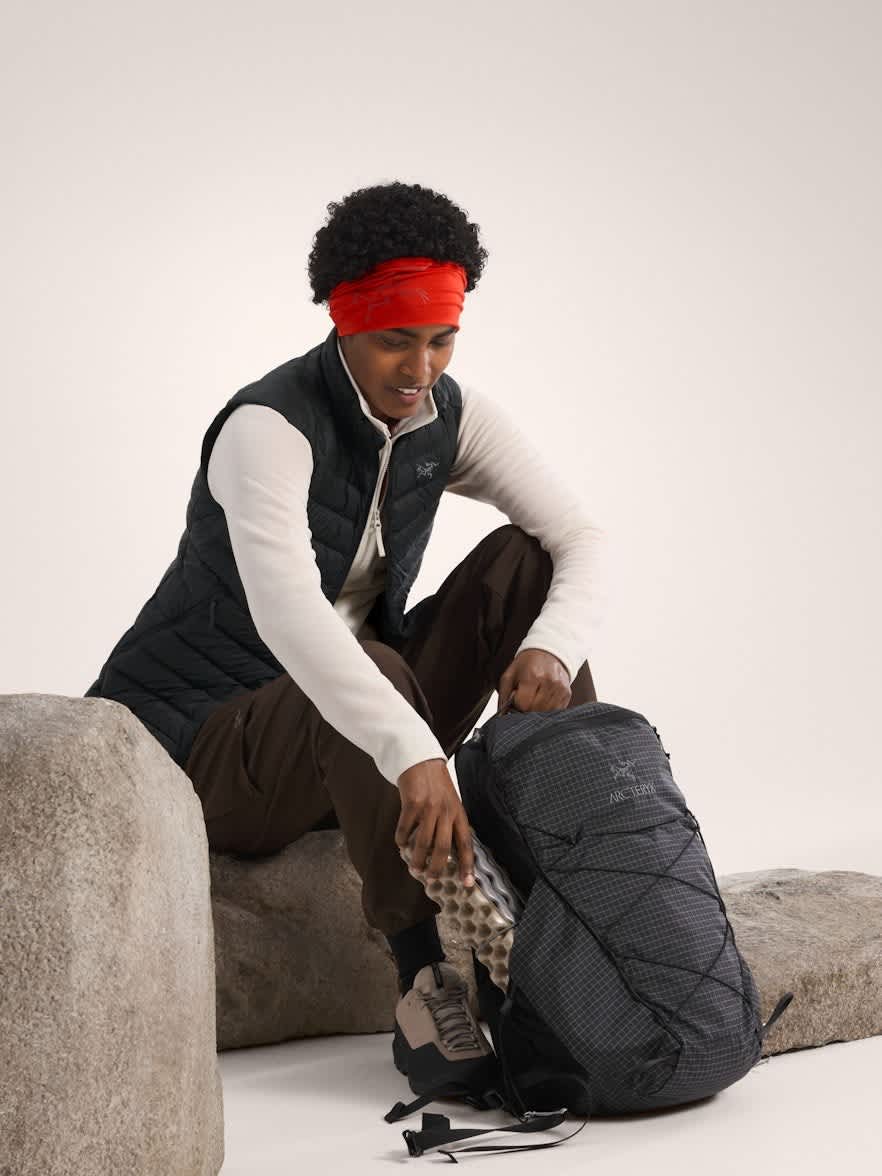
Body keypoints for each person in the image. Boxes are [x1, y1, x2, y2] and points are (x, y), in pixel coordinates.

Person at [83, 180, 602, 1099]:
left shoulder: (446, 414)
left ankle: (581, 894)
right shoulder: (267, 428)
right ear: (344, 321)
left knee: (523, 567)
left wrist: (551, 647)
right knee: (368, 664)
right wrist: (415, 753)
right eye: (395, 339)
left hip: (358, 728)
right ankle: (421, 979)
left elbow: (579, 536)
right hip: (205, 747)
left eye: (441, 338)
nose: (420, 367)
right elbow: (292, 615)